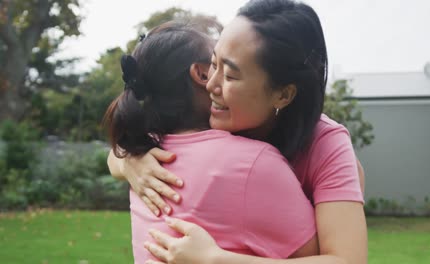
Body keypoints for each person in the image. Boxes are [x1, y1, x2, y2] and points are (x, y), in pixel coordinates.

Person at [108, 0, 368, 263]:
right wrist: (130, 161)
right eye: (213, 64)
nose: (210, 83)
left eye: (231, 76)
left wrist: (216, 260)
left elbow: (348, 260)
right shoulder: (209, 119)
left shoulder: (325, 145)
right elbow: (129, 146)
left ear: (283, 94)